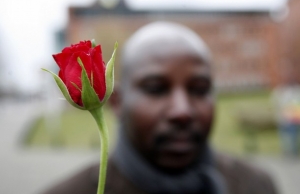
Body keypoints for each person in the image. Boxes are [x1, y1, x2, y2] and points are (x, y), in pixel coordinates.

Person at [42, 22, 278, 194]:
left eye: (199, 89)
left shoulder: (257, 186)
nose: (182, 111)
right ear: (117, 101)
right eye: (156, 88)